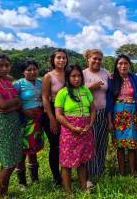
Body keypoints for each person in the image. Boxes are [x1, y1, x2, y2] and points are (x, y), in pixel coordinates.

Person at [55, 64, 96, 194]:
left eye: (79, 76)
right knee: (67, 162)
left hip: (85, 129)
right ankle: (68, 193)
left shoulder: (85, 91)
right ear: (67, 77)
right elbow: (59, 115)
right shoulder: (62, 93)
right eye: (73, 76)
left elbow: (93, 109)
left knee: (82, 160)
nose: (76, 79)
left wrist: (90, 124)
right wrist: (72, 127)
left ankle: (84, 187)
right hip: (69, 130)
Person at [0, 53, 23, 198]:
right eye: (0, 66)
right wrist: (14, 103)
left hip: (13, 122)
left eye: (7, 65)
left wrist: (12, 105)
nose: (4, 68)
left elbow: (16, 102)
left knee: (13, 160)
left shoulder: (8, 82)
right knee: (9, 162)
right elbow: (2, 105)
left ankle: (4, 192)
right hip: (1, 123)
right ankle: (0, 195)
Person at [106, 54, 137, 176]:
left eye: (125, 63)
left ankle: (133, 172)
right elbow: (109, 100)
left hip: (131, 115)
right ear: (116, 65)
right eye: (120, 63)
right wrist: (109, 121)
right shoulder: (111, 80)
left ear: (129, 65)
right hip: (117, 115)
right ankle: (121, 172)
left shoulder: (135, 79)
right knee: (119, 146)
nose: (123, 66)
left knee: (132, 144)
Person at [13, 60, 45, 188]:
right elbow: (14, 101)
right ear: (23, 72)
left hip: (37, 120)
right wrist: (23, 111)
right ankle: (22, 182)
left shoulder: (40, 83)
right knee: (21, 150)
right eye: (29, 70)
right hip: (23, 121)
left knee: (33, 150)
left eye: (34, 69)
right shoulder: (18, 84)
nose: (32, 72)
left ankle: (34, 179)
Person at [83, 49, 109, 188]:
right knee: (90, 144)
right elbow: (77, 92)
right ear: (88, 59)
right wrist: (90, 87)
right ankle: (88, 176)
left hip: (103, 112)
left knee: (102, 143)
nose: (97, 61)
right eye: (94, 58)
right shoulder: (83, 74)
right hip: (88, 114)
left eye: (99, 59)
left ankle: (99, 171)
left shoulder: (105, 73)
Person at [42, 49, 68, 186]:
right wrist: (52, 119)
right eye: (59, 58)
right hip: (51, 112)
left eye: (64, 58)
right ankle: (57, 177)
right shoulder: (48, 76)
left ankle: (66, 174)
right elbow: (45, 98)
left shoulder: (68, 74)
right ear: (53, 59)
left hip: (67, 112)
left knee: (66, 144)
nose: (61, 60)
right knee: (55, 146)